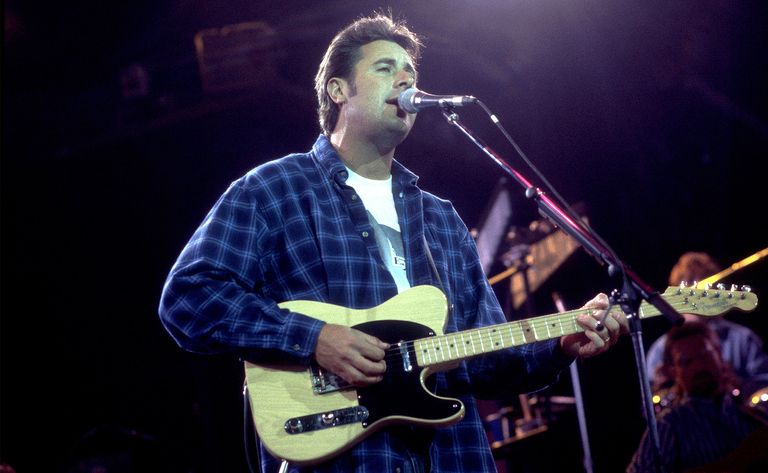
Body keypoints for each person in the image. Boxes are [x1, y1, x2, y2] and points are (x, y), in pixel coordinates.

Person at [158, 12, 627, 473]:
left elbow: (488, 363)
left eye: (410, 72)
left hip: (453, 457)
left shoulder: (440, 219)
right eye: (385, 68)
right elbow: (189, 298)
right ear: (338, 90)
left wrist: (561, 345)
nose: (405, 80)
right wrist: (313, 338)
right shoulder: (274, 189)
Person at [629, 322, 768, 472]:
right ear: (674, 372)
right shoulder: (668, 425)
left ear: (720, 355)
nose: (698, 366)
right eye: (686, 362)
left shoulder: (755, 417)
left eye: (704, 355)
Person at [646, 252, 768, 397]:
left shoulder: (743, 339)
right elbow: (651, 401)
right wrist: (666, 390)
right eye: (689, 288)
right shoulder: (660, 350)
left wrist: (737, 385)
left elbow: (766, 390)